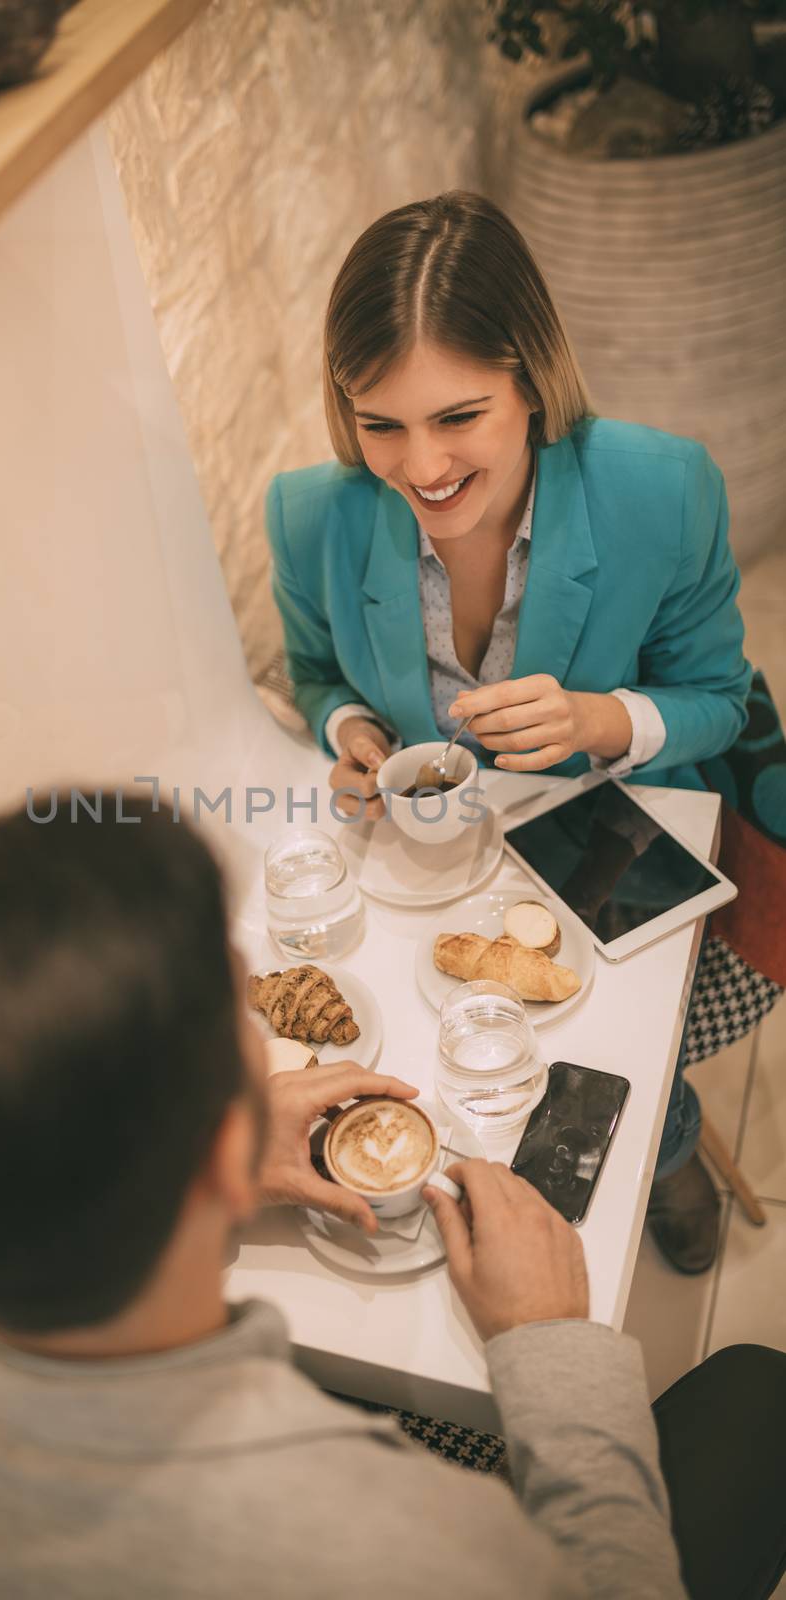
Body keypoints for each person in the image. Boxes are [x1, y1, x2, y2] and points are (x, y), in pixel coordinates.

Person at [0, 801, 786, 1600]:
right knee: (757, 1395)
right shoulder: (368, 1542)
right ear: (219, 1149)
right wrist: (552, 1347)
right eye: (231, 996)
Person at [266, 191, 752, 1274]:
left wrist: (599, 718)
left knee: (620, 1064)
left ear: (530, 382)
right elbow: (308, 674)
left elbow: (722, 697)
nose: (419, 467)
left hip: (605, 832)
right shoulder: (309, 515)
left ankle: (664, 1155)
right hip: (425, 863)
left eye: (456, 417)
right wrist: (346, 726)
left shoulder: (659, 489)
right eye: (377, 422)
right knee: (395, 1050)